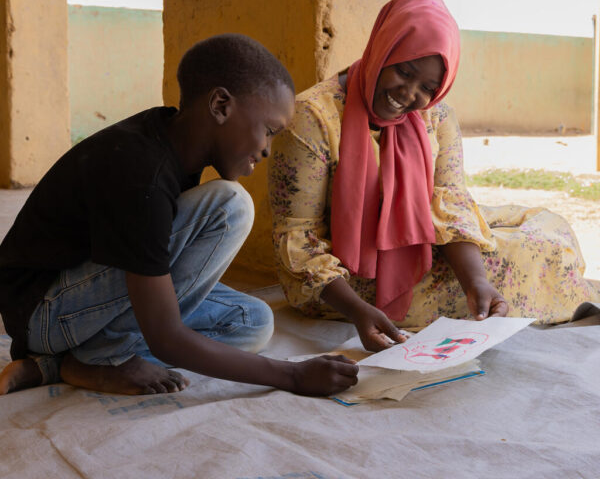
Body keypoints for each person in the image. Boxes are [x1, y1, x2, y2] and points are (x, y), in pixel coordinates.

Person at [0, 34, 358, 397]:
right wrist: (291, 376)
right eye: (268, 131)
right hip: (40, 311)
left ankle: (61, 363)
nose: (266, 149)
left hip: (76, 301)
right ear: (220, 105)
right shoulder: (141, 173)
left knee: (254, 322)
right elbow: (165, 338)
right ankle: (102, 355)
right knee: (230, 206)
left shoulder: (175, 143)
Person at [268, 0, 597, 352]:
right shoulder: (311, 119)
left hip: (416, 244)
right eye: (403, 72)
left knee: (549, 224)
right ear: (383, 47)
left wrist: (476, 284)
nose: (408, 95)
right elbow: (298, 240)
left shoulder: (434, 116)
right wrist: (359, 311)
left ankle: (497, 290)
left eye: (427, 87)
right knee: (524, 253)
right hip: (347, 280)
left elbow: (449, 203)